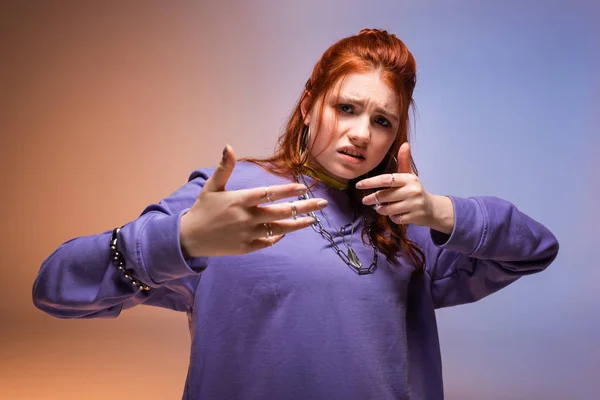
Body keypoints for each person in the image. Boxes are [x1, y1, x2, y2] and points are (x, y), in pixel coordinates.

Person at [32, 29, 559, 399]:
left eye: (382, 121)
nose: (361, 133)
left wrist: (441, 210)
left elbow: (536, 249)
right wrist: (181, 241)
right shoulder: (233, 196)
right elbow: (54, 287)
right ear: (309, 106)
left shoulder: (406, 226)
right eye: (346, 108)